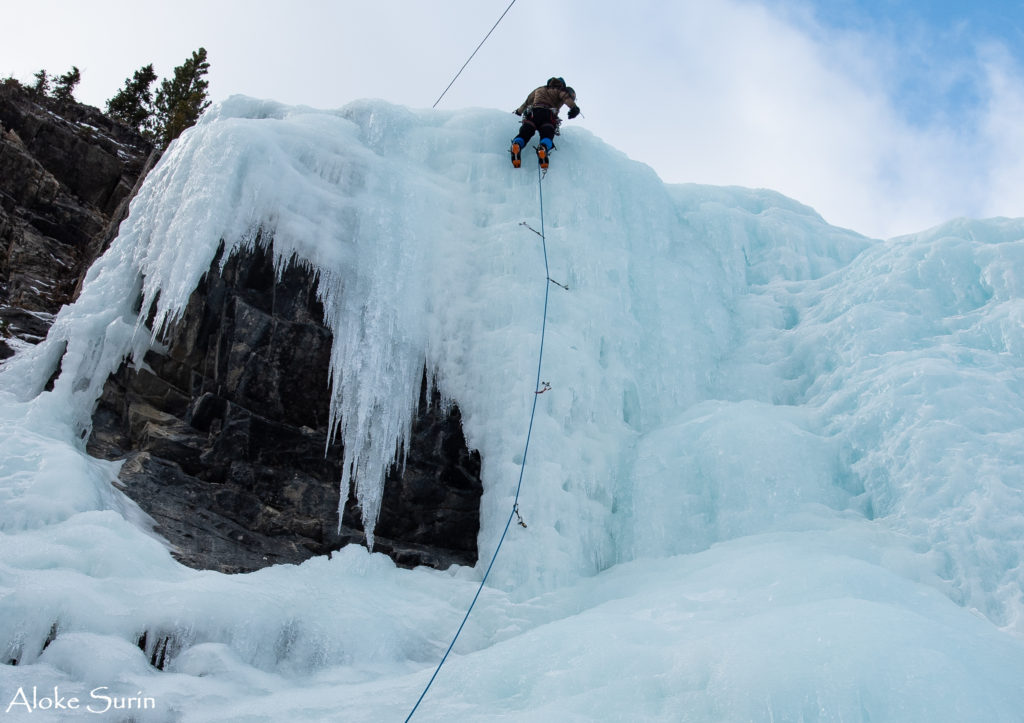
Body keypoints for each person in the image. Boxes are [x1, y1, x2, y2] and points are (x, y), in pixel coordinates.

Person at [510, 77, 581, 169]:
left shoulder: (539, 89)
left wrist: (518, 112)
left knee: (526, 132)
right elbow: (566, 98)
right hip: (548, 116)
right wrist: (574, 108)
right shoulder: (560, 90)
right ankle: (543, 148)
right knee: (547, 134)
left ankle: (517, 145)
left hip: (533, 114)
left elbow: (526, 102)